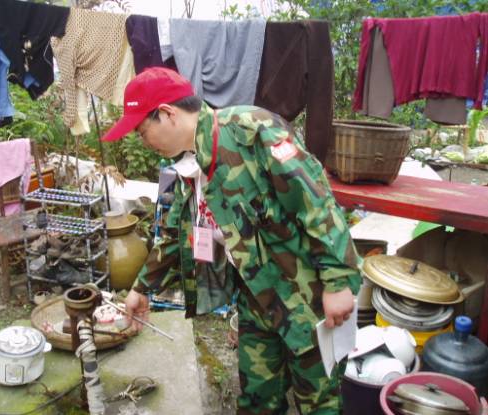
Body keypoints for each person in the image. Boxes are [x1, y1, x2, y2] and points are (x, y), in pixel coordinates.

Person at [101, 67, 362, 415]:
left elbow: (315, 203)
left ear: (167, 113)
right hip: (258, 299)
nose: (144, 142)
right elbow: (179, 234)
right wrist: (141, 289)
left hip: (308, 299)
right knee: (257, 400)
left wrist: (338, 282)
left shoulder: (252, 131)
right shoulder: (190, 164)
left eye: (142, 131)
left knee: (319, 404)